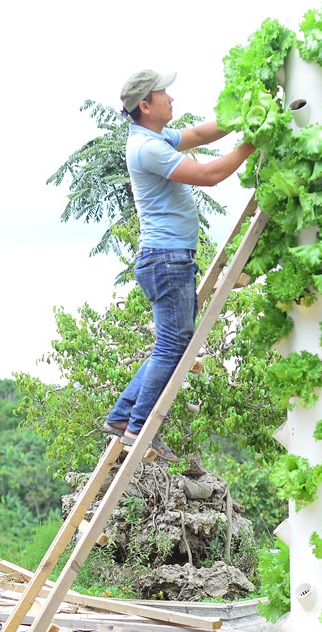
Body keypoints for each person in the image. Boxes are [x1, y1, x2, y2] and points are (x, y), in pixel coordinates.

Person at [103, 69, 255, 461]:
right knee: (173, 346)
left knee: (171, 345)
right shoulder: (147, 148)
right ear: (145, 105)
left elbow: (202, 135)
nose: (172, 100)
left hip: (167, 258)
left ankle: (123, 417)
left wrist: (248, 115)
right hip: (167, 260)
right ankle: (139, 429)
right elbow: (208, 174)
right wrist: (253, 143)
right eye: (164, 94)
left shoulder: (154, 137)